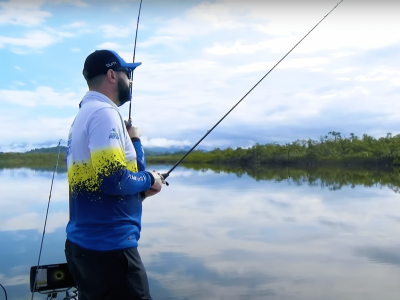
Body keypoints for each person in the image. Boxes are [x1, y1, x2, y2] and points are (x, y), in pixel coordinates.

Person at [64, 49, 164, 300]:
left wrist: (135, 142)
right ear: (111, 75)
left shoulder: (85, 115)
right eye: (126, 73)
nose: (129, 80)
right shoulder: (103, 114)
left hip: (87, 249)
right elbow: (113, 180)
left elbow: (109, 182)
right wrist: (151, 179)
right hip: (110, 252)